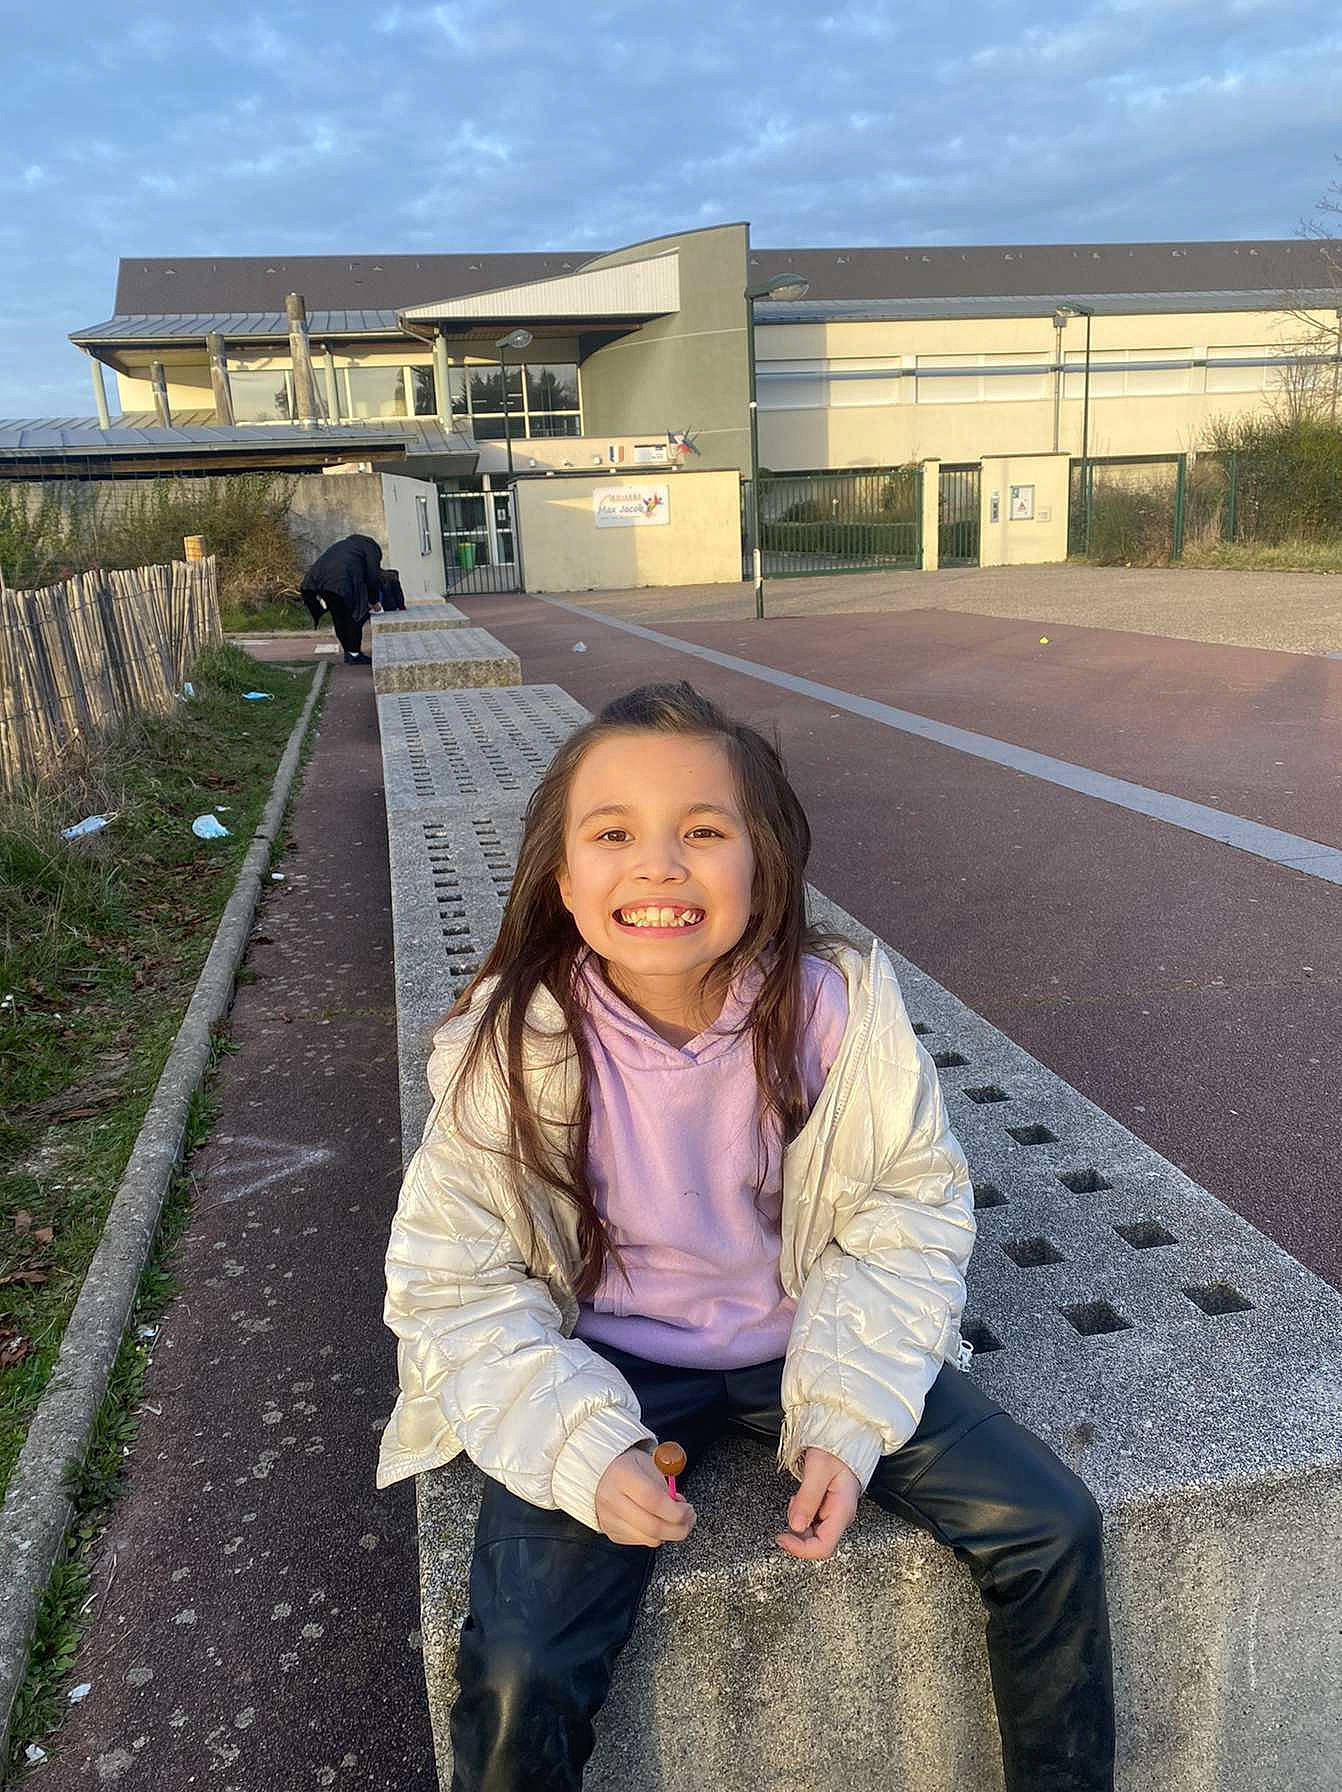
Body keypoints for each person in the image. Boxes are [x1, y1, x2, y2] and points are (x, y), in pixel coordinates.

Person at [377, 680, 1116, 1792]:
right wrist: (584, 1449)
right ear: (564, 878)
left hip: (803, 1331)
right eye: (614, 833)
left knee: (1050, 1524)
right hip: (601, 1359)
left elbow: (901, 1210)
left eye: (704, 832)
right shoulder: (508, 1048)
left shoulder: (833, 1013)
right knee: (521, 1661)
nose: (660, 865)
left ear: (761, 864)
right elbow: (456, 1283)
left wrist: (848, 1411)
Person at [299, 532, 383, 663]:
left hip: (319, 581)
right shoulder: (371, 549)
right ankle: (354, 654)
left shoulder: (344, 545)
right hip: (342, 581)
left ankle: (349, 653)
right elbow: (373, 577)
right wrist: (374, 601)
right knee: (356, 615)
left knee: (338, 616)